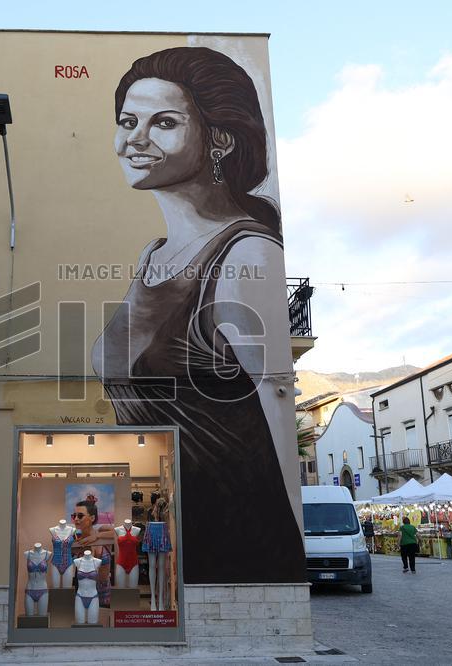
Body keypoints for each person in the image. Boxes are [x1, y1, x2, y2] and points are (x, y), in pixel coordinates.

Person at [92, 46, 305, 585]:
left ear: (220, 139)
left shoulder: (246, 254)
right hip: (164, 531)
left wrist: (290, 568)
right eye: (127, 122)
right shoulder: (152, 256)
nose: (135, 139)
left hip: (235, 546)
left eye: (163, 123)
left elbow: (277, 403)